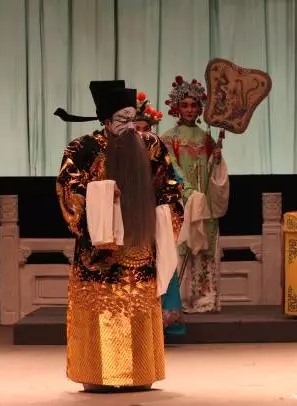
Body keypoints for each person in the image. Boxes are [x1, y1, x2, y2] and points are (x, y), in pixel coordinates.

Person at [54, 80, 184, 392]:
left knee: (137, 308)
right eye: (121, 119)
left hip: (139, 248)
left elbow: (170, 188)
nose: (129, 127)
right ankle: (96, 376)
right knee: (99, 309)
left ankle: (141, 374)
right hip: (98, 254)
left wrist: (162, 211)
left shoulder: (151, 145)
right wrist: (102, 197)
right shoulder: (82, 148)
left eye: (132, 118)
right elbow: (68, 189)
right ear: (106, 120)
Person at [160, 75, 229, 314]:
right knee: (181, 246)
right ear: (177, 108)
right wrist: (188, 192)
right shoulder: (169, 138)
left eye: (194, 105)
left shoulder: (207, 138)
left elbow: (213, 170)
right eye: (185, 105)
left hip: (204, 200)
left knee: (204, 247)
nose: (189, 110)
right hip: (182, 200)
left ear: (200, 109)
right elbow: (171, 167)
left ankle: (204, 298)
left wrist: (216, 158)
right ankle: (179, 299)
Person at [135, 90, 186, 338]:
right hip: (131, 220)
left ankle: (166, 321)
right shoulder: (119, 152)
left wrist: (163, 195)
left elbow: (177, 181)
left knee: (163, 263)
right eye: (136, 128)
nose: (141, 133)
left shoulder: (159, 151)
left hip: (156, 216)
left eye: (145, 128)